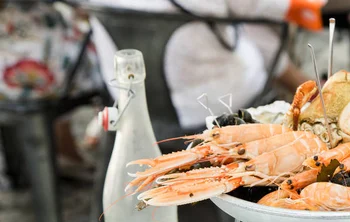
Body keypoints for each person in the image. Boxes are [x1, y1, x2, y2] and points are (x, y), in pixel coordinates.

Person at [86, 0, 325, 130]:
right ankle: (316, 92)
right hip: (207, 101)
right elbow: (273, 6)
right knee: (255, 33)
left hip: (129, 96)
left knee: (249, 32)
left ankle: (313, 89)